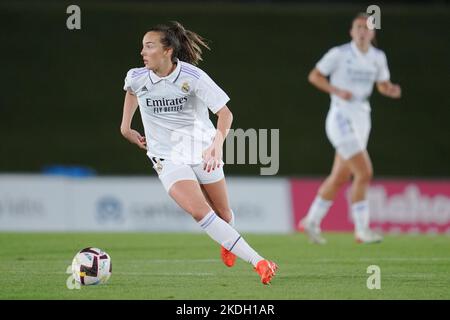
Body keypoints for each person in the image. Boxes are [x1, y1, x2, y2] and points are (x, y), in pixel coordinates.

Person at [120, 21, 277, 284]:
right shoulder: (136, 76)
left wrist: (216, 145)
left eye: (149, 46)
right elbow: (131, 91)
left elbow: (225, 114)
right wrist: (126, 127)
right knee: (199, 211)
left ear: (168, 50)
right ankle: (260, 261)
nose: (143, 52)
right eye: (142, 46)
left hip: (203, 151)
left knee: (224, 216)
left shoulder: (192, 77)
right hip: (167, 157)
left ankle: (228, 241)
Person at [299, 13, 402, 244]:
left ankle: (311, 221)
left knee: (339, 177)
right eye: (358, 27)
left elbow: (382, 85)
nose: (362, 31)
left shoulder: (378, 57)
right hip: (340, 117)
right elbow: (314, 76)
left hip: (362, 117)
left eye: (366, 28)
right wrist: (336, 90)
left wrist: (390, 90)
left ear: (373, 33)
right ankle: (361, 230)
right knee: (364, 172)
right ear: (351, 31)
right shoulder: (339, 54)